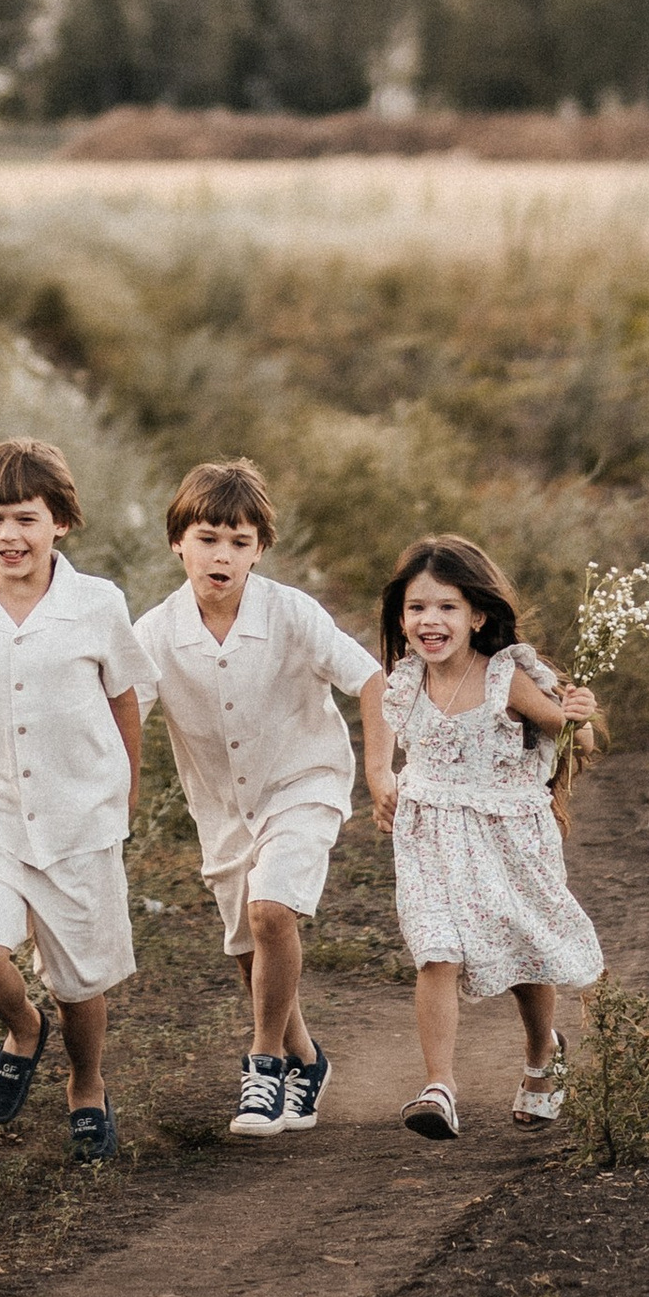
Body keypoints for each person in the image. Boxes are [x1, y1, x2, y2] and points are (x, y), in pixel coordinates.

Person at [133, 456, 391, 1137]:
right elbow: (118, 715)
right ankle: (307, 1060)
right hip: (221, 809)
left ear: (259, 549)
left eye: (239, 542)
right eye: (207, 538)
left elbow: (371, 679)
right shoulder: (155, 633)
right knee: (250, 945)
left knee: (272, 910)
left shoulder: (291, 613)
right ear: (178, 542)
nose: (221, 555)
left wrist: (379, 771)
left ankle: (264, 1064)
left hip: (304, 782)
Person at [0, 432, 156, 1164]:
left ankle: (86, 1085)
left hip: (79, 813)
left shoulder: (97, 604)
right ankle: (24, 1029)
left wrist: (127, 786)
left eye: (26, 519)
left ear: (60, 522)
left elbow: (124, 696)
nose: (9, 536)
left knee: (80, 981)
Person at [367, 531, 603, 1139]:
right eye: (417, 607)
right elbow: (392, 733)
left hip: (507, 836)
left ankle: (543, 1055)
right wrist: (384, 783)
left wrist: (579, 718)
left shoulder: (505, 677)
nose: (430, 620)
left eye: (447, 606)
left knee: (525, 954)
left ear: (476, 615)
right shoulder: (405, 680)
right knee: (435, 950)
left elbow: (576, 742)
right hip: (429, 836)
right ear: (401, 616)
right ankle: (439, 1087)